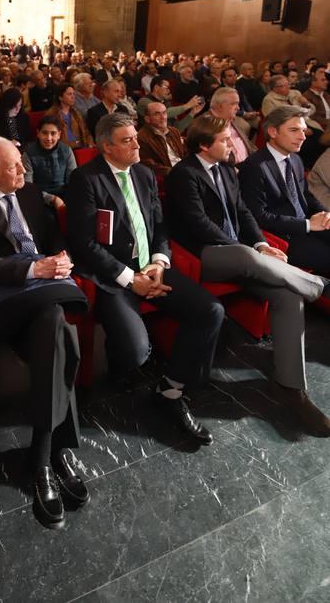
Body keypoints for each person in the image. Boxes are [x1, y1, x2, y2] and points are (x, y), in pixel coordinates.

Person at [0, 138, 90, 529]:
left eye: (21, 163)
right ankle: (57, 451)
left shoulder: (28, 192)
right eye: (13, 166)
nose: (23, 171)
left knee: (54, 328)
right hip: (5, 299)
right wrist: (34, 270)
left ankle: (43, 458)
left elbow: (50, 235)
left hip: (44, 291)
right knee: (62, 333)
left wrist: (61, 257)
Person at [66, 112, 224, 445]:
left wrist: (159, 261)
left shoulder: (144, 173)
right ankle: (121, 356)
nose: (137, 145)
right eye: (128, 141)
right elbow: (84, 244)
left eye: (136, 137)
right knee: (137, 353)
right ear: (107, 148)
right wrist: (129, 278)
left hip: (152, 268)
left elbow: (160, 226)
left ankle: (171, 390)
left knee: (211, 311)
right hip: (114, 275)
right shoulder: (85, 179)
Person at [166, 116, 330, 435]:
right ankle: (319, 285)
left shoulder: (227, 170)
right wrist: (245, 248)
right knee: (245, 255)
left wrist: (261, 244)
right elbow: (199, 224)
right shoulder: (184, 174)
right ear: (204, 145)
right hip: (203, 255)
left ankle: (291, 387)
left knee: (288, 296)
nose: (233, 144)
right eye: (225, 139)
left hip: (243, 255)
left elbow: (243, 212)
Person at [239, 106, 330, 274]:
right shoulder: (254, 166)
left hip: (307, 226)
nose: (302, 137)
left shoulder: (295, 159)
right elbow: (258, 216)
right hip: (282, 237)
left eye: (303, 130)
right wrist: (307, 225)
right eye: (294, 130)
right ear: (273, 132)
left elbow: (306, 196)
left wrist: (325, 214)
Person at [22, 115, 77, 209]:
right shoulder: (28, 153)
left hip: (65, 197)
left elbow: (73, 182)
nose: (49, 138)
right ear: (38, 133)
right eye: (44, 133)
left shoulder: (67, 151)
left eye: (53, 133)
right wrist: (52, 199)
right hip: (39, 198)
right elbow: (28, 187)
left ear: (59, 135)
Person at [137, 100, 185, 177]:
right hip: (168, 175)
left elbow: (184, 153)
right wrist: (173, 172)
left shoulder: (174, 131)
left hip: (183, 169)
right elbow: (149, 165)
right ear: (147, 119)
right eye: (157, 114)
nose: (163, 117)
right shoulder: (142, 137)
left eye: (164, 113)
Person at [208, 87, 255, 164]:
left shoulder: (234, 120)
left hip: (248, 163)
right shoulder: (206, 125)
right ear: (220, 106)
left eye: (238, 104)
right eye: (233, 104)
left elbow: (250, 146)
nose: (238, 108)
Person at [45, 83, 91, 149]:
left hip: (79, 146)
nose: (73, 97)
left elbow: (85, 130)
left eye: (73, 94)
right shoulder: (52, 114)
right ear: (60, 98)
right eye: (69, 94)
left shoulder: (76, 113)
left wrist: (90, 142)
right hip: (62, 148)